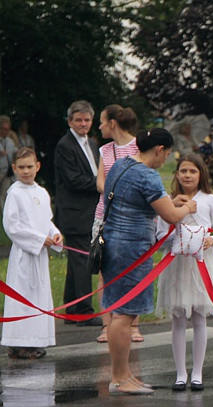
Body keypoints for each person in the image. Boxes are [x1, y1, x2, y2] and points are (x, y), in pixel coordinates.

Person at [102, 128, 197, 395]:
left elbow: (138, 201)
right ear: (159, 150)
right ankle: (119, 378)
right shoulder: (148, 175)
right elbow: (171, 216)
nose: (165, 160)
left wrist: (169, 201)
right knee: (124, 314)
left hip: (112, 243)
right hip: (132, 249)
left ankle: (125, 373)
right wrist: (186, 208)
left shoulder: (121, 165)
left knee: (119, 310)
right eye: (166, 154)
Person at [156, 154, 213, 391]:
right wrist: (175, 240)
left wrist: (211, 241)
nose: (187, 175)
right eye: (183, 171)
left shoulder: (210, 200)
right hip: (177, 265)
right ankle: (180, 374)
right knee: (178, 318)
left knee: (199, 317)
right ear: (177, 174)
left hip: (202, 266)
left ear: (201, 175)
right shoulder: (168, 201)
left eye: (193, 171)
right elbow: (159, 234)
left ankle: (197, 373)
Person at [2, 148, 62, 360]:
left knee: (39, 297)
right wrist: (37, 240)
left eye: (30, 166)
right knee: (23, 297)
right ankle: (19, 343)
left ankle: (35, 341)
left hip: (40, 256)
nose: (26, 171)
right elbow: (12, 226)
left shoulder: (42, 192)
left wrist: (54, 235)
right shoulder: (15, 193)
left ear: (37, 166)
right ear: (14, 169)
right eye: (21, 167)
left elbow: (46, 221)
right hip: (24, 255)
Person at [94, 104, 141, 343]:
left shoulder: (139, 146)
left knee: (133, 268)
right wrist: (117, 191)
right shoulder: (105, 150)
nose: (99, 126)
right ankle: (107, 324)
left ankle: (133, 325)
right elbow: (100, 182)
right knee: (105, 269)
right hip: (106, 215)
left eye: (102, 121)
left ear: (112, 123)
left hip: (133, 215)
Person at [54, 100, 102, 327]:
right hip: (74, 212)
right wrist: (101, 184)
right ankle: (84, 312)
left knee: (77, 259)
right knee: (82, 258)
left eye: (87, 120)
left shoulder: (91, 144)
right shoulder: (65, 145)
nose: (83, 124)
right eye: (79, 120)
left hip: (89, 210)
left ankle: (72, 306)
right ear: (70, 121)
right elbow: (73, 180)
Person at [0, 115, 18, 213]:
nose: (6, 132)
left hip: (6, 172)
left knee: (4, 194)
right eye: (4, 129)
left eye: (8, 129)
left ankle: (4, 215)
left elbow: (15, 152)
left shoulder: (9, 141)